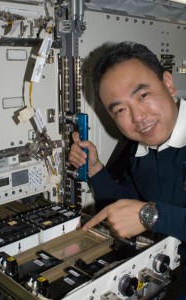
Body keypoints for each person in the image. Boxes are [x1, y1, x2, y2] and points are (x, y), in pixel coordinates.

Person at [68, 41, 186, 296]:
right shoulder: (140, 151)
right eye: (120, 109)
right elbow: (129, 206)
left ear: (168, 84)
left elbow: (145, 213)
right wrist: (96, 169)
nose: (137, 117)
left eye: (143, 95)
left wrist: (152, 216)